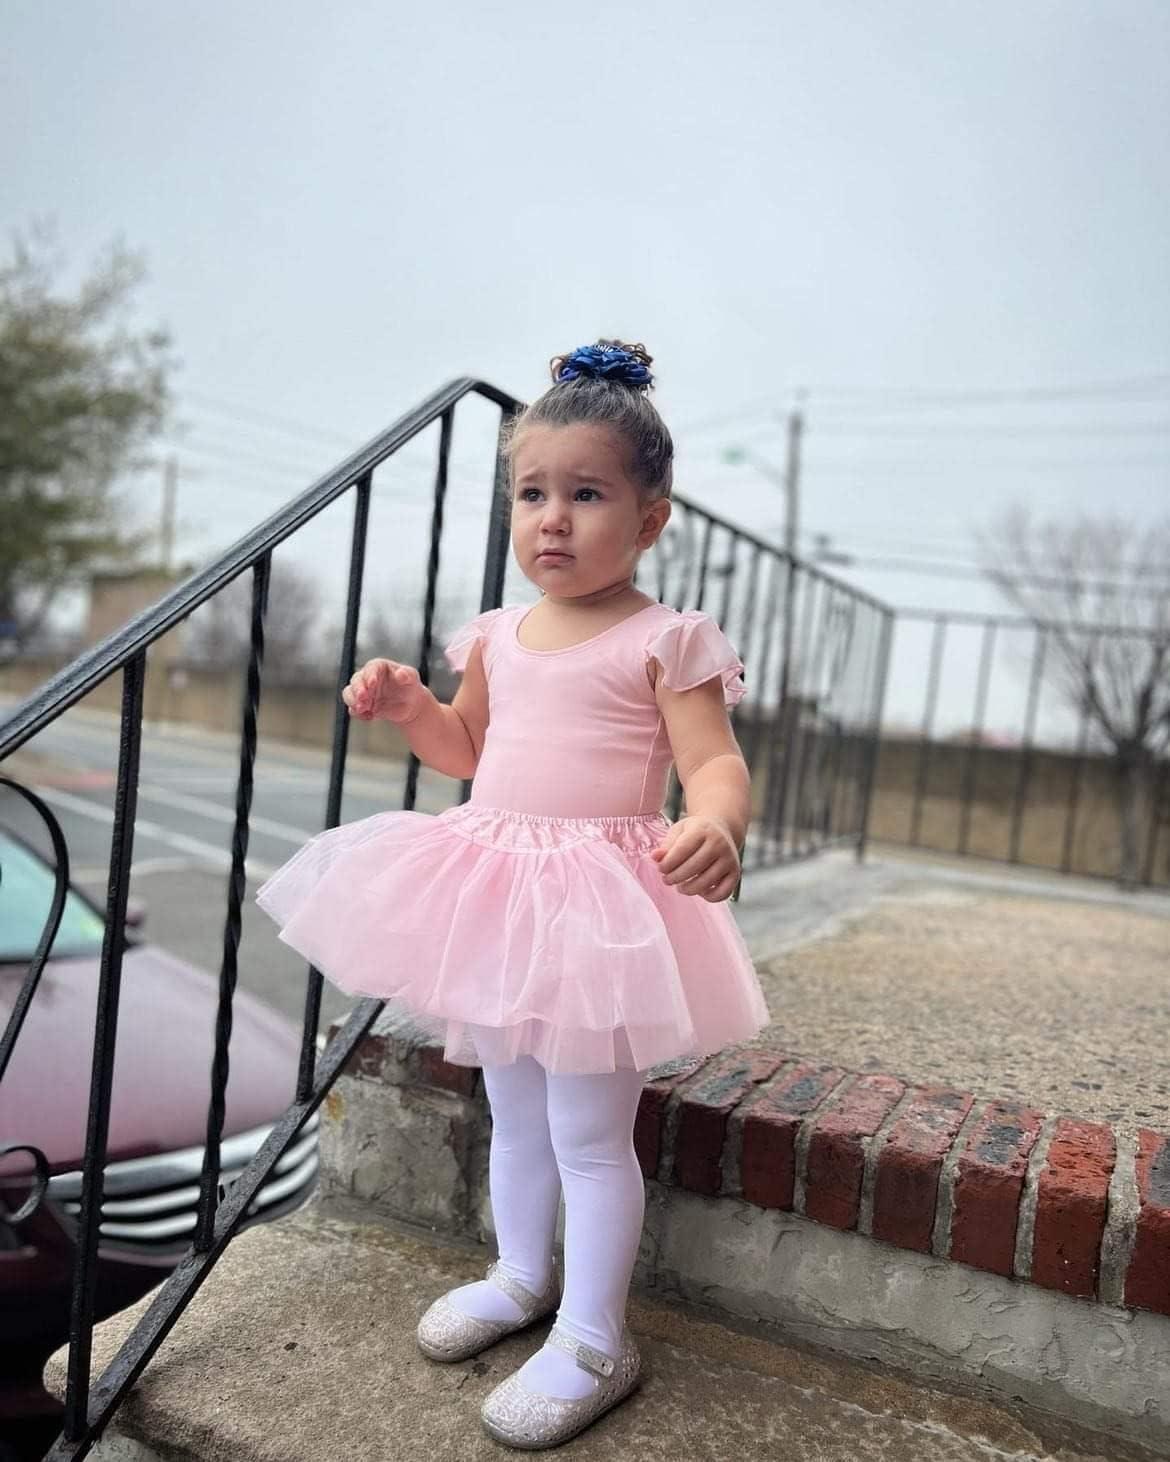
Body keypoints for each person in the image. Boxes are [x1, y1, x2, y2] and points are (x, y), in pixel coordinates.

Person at [254, 338, 771, 1449]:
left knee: (589, 1129)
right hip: (501, 891)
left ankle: (595, 1335)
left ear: (649, 519)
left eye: (587, 494)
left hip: (597, 905)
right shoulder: (498, 633)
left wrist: (717, 823)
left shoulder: (666, 639)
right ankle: (522, 1273)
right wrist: (412, 706)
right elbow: (468, 748)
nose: (553, 519)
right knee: (517, 1109)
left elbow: (713, 762)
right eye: (532, 494)